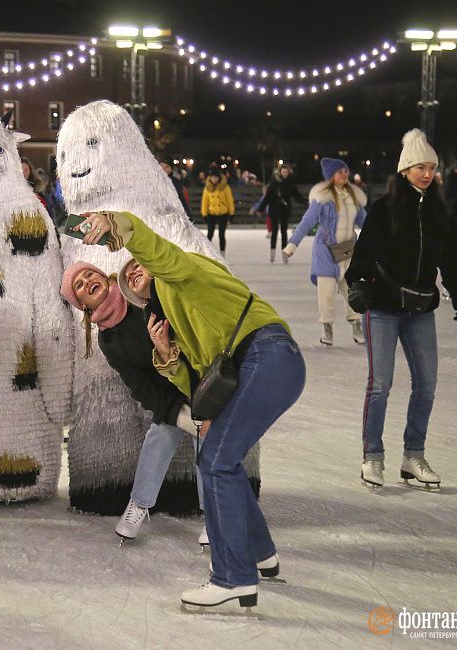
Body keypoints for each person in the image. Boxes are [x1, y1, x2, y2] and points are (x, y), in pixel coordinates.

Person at [72, 209, 305, 611]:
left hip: (266, 351)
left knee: (214, 461)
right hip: (263, 363)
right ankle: (262, 554)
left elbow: (159, 253)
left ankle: (232, 576)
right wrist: (167, 358)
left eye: (135, 268)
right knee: (220, 459)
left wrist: (119, 225)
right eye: (130, 279)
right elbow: (200, 382)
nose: (132, 274)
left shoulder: (179, 274)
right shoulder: (165, 323)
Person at [345, 129, 457, 492]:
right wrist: (357, 284)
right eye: (421, 167)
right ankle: (372, 456)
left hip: (420, 309)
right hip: (383, 308)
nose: (427, 174)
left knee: (427, 386)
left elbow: (450, 261)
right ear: (405, 170)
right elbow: (365, 251)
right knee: (381, 385)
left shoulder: (438, 210)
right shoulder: (385, 208)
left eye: (432, 168)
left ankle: (412, 456)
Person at [60, 261, 205, 545]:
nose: (87, 281)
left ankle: (215, 513)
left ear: (103, 276)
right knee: (161, 433)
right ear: (82, 305)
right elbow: (140, 386)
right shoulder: (108, 339)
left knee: (208, 439)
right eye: (79, 285)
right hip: (171, 390)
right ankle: (139, 505)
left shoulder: (137, 296)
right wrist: (177, 413)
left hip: (201, 374)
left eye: (89, 273)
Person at [283, 158, 367, 346]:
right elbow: (306, 222)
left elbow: (367, 223)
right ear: (331, 176)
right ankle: (327, 327)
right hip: (325, 251)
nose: (344, 175)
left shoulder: (354, 196)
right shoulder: (323, 197)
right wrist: (292, 245)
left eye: (345, 171)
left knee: (353, 289)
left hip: (349, 250)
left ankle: (356, 325)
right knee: (327, 292)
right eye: (340, 172)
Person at [255, 164, 306, 262]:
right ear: (280, 173)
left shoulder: (291, 183)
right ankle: (272, 253)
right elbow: (267, 198)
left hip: (285, 210)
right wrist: (260, 209)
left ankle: (284, 253)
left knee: (284, 231)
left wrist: (306, 202)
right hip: (274, 209)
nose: (285, 174)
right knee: (274, 232)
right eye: (283, 172)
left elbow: (297, 196)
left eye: (286, 172)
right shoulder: (274, 183)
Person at [201, 167, 234, 256]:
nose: (214, 179)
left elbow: (230, 200)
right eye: (212, 177)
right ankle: (207, 253)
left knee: (221, 235)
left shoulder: (225, 187)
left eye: (216, 177)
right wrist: (204, 214)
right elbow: (205, 201)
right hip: (212, 213)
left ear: (219, 178)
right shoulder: (207, 188)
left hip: (223, 213)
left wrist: (231, 213)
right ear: (210, 178)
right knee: (210, 234)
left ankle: (222, 253)